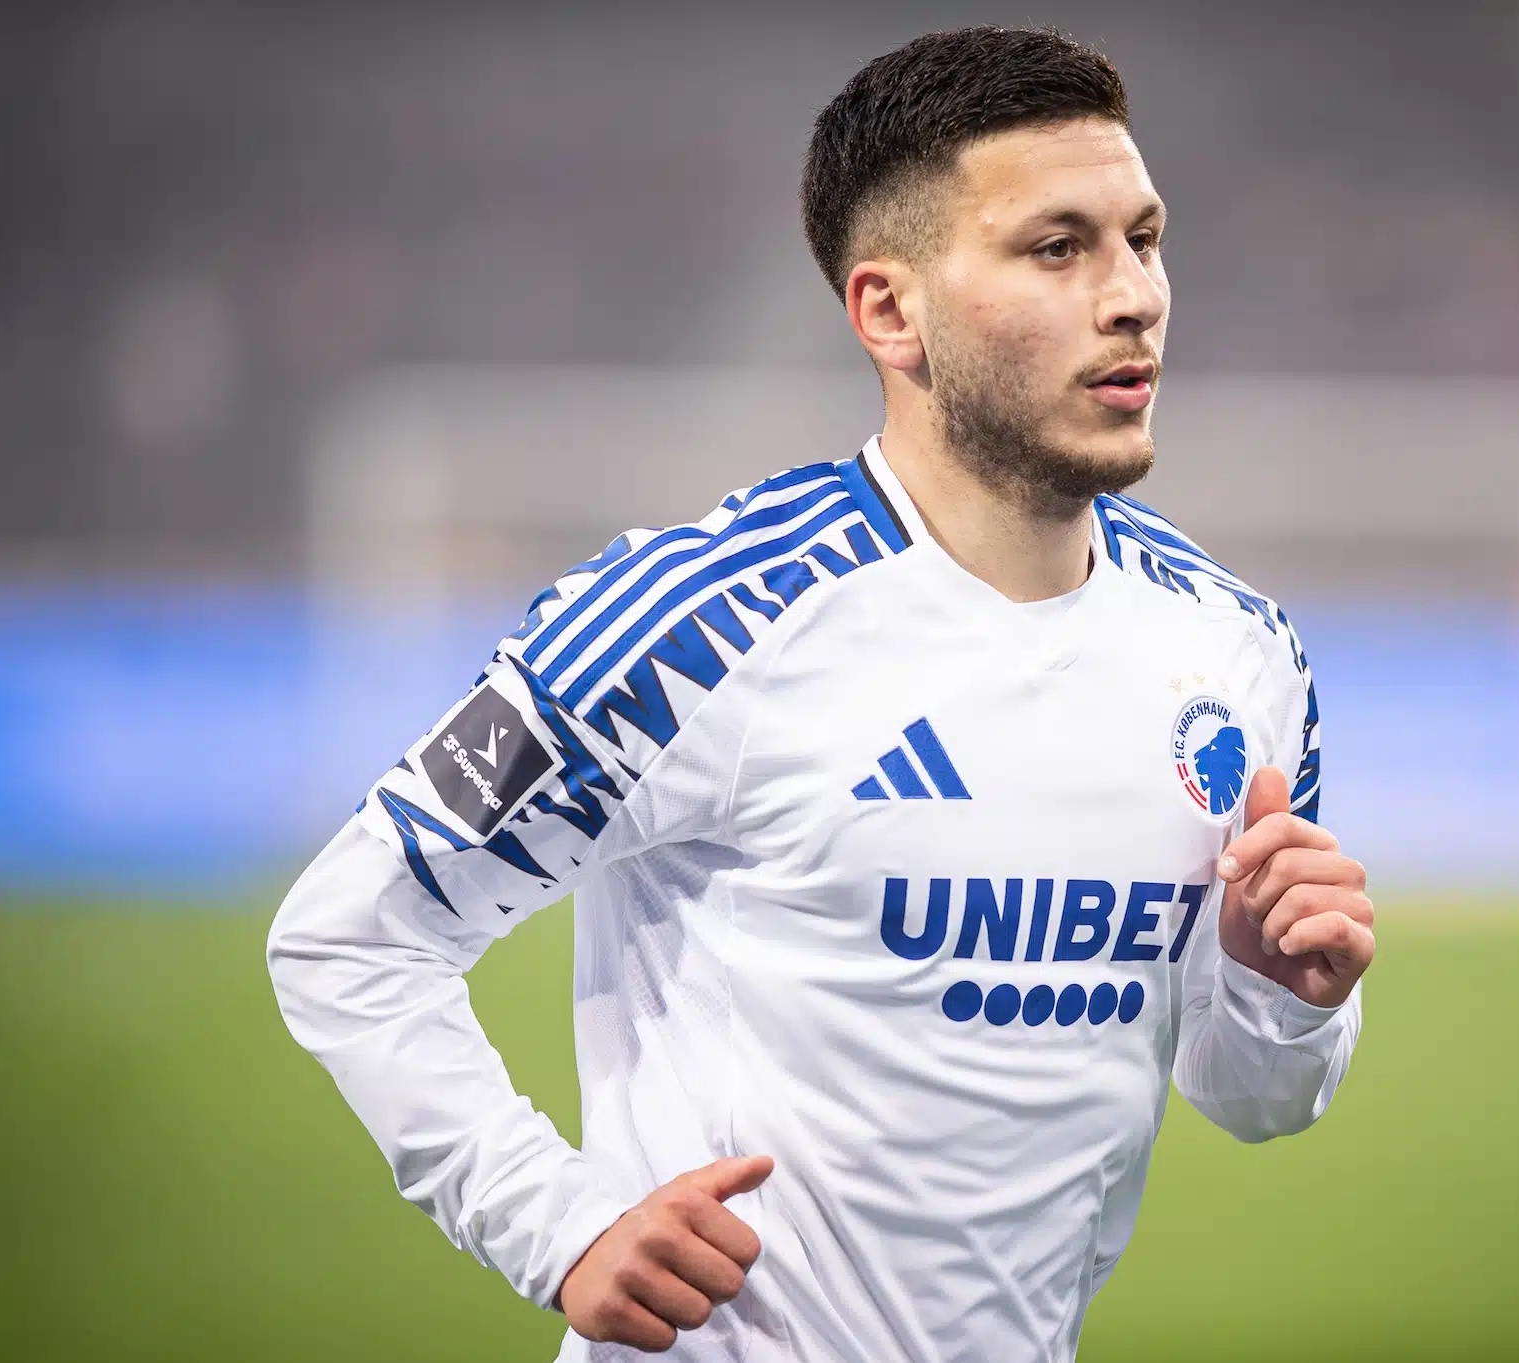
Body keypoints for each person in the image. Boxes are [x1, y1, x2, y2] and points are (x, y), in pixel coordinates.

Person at [267, 25, 1374, 1361]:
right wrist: (553, 1225)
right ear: (889, 313)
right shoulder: (692, 622)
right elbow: (351, 933)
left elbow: (1252, 1095)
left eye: (1144, 239)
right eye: (1057, 248)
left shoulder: (1238, 655)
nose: (1134, 295)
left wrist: (1282, 993)